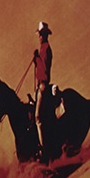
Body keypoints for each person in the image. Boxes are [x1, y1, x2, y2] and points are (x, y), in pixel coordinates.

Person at [32, 21, 53, 155]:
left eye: (41, 34)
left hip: (43, 85)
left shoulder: (45, 49)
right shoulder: (43, 48)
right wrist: (37, 59)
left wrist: (37, 59)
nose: (39, 37)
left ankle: (44, 149)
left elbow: (44, 70)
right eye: (39, 34)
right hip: (40, 85)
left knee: (38, 117)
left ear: (44, 35)